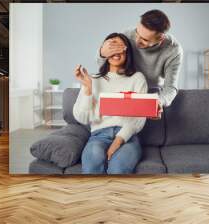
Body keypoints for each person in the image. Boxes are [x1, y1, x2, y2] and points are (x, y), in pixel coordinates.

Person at [73, 33, 147, 174]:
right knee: (91, 169)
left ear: (127, 52)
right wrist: (88, 89)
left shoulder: (137, 78)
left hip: (128, 137)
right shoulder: (92, 79)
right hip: (98, 136)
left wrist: (119, 140)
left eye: (121, 48)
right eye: (112, 47)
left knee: (118, 169)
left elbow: (139, 117)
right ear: (104, 52)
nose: (117, 53)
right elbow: (82, 118)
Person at [97, 9, 183, 119]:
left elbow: (170, 88)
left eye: (145, 40)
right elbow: (104, 67)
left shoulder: (174, 50)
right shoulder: (126, 35)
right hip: (126, 90)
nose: (137, 41)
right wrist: (102, 53)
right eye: (137, 33)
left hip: (151, 94)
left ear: (161, 38)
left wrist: (159, 102)